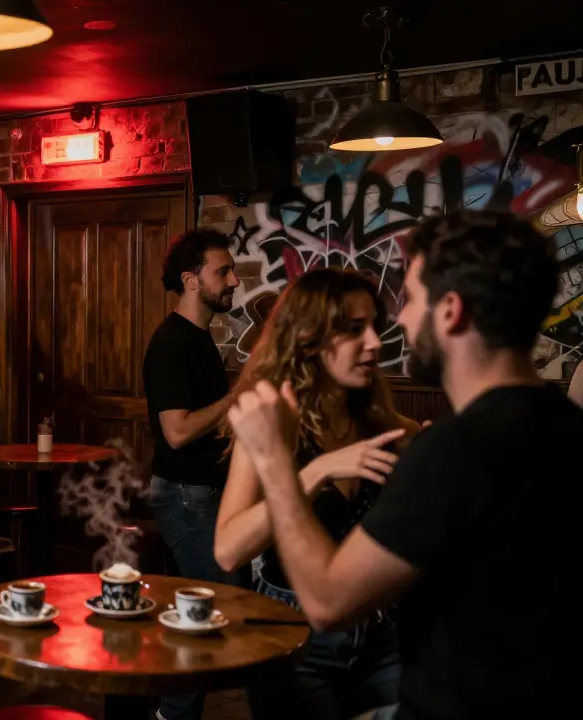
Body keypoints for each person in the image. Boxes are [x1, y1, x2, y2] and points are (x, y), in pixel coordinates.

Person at [226, 211, 575, 720]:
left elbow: (327, 600)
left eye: (410, 300)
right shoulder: (567, 427)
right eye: (355, 328)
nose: (398, 326)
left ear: (451, 311)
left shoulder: (451, 448)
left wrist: (278, 462)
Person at [214, 268, 420, 719]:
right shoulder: (273, 421)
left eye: (373, 327)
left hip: (378, 628)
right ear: (307, 338)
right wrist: (314, 474)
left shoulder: (376, 418)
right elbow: (228, 550)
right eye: (352, 330)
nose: (373, 343)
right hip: (290, 631)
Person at [142, 229, 242, 720]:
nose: (234, 280)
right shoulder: (171, 345)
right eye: (222, 271)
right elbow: (178, 433)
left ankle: (177, 709)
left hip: (205, 492)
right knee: (208, 613)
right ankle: (172, 712)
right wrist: (234, 400)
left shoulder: (201, 340)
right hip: (184, 496)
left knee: (204, 612)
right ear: (191, 280)